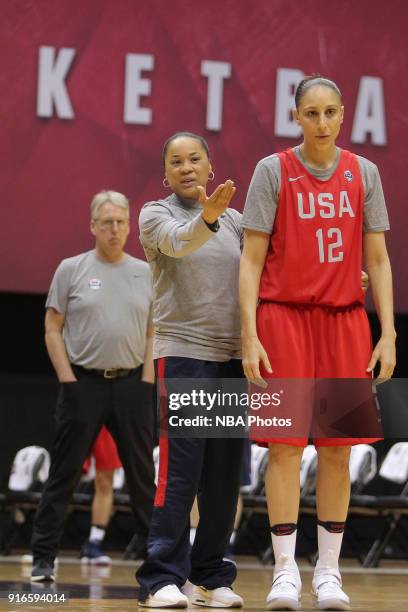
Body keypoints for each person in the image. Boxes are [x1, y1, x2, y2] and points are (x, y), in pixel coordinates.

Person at [239, 75, 396, 611]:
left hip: (345, 323)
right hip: (282, 319)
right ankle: (285, 570)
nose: (323, 122)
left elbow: (377, 259)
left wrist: (388, 332)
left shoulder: (363, 173)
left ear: (344, 113)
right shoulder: (272, 170)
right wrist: (249, 334)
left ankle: (328, 571)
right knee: (284, 449)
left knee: (336, 452)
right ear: (296, 116)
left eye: (331, 112)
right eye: (312, 113)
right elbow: (251, 261)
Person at [136, 132, 245, 608]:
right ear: (165, 174)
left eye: (194, 158)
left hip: (233, 358)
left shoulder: (239, 222)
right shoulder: (155, 216)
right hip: (183, 353)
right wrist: (209, 216)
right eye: (176, 161)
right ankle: (160, 577)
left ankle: (211, 575)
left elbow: (271, 272)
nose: (186, 167)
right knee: (180, 472)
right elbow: (181, 244)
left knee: (223, 476)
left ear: (210, 166)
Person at [31, 190, 156, 582]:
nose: (115, 229)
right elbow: (53, 328)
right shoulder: (72, 269)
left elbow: (155, 330)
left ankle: (160, 563)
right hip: (82, 383)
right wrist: (68, 379)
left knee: (141, 478)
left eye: (121, 222)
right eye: (107, 223)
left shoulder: (145, 272)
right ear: (93, 227)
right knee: (64, 474)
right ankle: (43, 559)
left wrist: (148, 380)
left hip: (132, 384)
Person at [80, 426, 122, 565]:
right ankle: (47, 546)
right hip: (81, 410)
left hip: (114, 415)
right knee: (65, 475)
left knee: (104, 480)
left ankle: (94, 541)